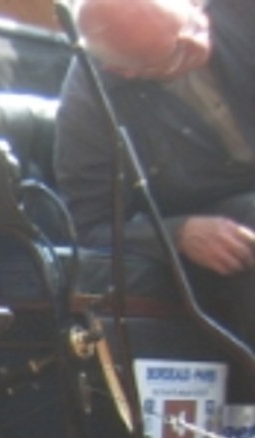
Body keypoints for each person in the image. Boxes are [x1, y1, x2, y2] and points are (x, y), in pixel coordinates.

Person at [55, 0, 255, 326]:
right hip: (223, 221)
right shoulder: (89, 107)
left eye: (194, 23)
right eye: (177, 53)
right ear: (125, 71)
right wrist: (179, 234)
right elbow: (91, 229)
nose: (199, 44)